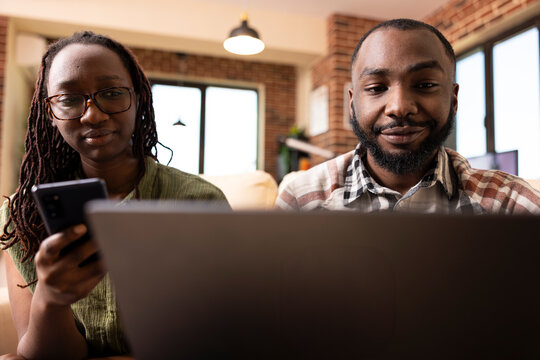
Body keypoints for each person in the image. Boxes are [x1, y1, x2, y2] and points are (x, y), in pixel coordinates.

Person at [0, 31, 228, 359]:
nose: (92, 114)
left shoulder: (200, 202)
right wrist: (50, 300)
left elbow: (215, 339)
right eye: (68, 99)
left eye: (111, 92)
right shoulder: (24, 215)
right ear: (50, 113)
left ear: (137, 99)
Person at [276, 18, 540, 213]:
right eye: (377, 88)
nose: (399, 107)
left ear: (453, 98)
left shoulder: (509, 203)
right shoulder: (301, 199)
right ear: (353, 104)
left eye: (425, 85)